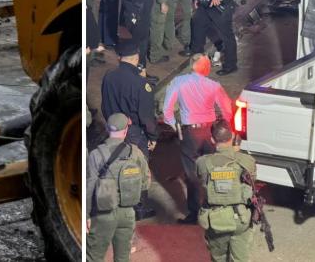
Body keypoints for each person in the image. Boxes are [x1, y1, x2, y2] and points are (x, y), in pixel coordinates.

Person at [162, 54, 234, 224]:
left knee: (192, 174)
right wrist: (224, 127)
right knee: (213, 170)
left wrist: (175, 125)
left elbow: (167, 111)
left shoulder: (179, 82)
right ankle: (215, 208)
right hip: (210, 132)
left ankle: (194, 213)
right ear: (206, 68)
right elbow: (227, 110)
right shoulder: (214, 85)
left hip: (190, 133)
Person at [101, 38, 159, 219]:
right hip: (134, 134)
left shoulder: (109, 77)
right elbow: (147, 116)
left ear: (119, 57)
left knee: (116, 166)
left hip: (114, 129)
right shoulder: (141, 84)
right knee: (137, 170)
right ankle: (138, 208)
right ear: (137, 57)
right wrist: (152, 136)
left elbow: (105, 106)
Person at [86, 113, 151, 262]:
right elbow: (146, 182)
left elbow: (89, 188)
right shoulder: (135, 153)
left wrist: (86, 216)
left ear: (108, 130)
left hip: (102, 214)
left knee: (93, 257)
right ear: (126, 130)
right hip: (127, 213)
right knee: (123, 257)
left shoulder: (96, 154)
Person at [195, 120, 258, 262]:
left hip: (215, 220)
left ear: (212, 139)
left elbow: (201, 180)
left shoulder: (202, 162)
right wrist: (235, 151)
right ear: (234, 136)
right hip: (240, 220)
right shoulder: (246, 161)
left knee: (218, 258)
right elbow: (252, 182)